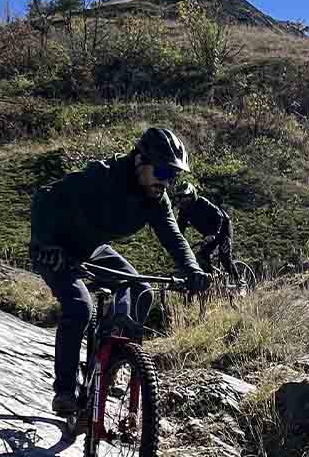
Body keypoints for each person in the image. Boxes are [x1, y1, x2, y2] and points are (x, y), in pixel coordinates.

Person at [29, 126, 210, 422]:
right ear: (140, 161)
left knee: (141, 291)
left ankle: (110, 359)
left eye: (173, 176)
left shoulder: (155, 199)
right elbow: (45, 198)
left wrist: (192, 269)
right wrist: (43, 243)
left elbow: (175, 238)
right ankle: (64, 390)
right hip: (56, 250)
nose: (168, 181)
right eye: (164, 172)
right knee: (79, 306)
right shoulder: (100, 177)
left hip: (92, 249)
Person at [175, 182, 240, 283]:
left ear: (192, 195)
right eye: (180, 197)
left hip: (223, 229)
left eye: (185, 196)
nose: (183, 199)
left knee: (225, 257)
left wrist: (214, 234)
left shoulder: (202, 202)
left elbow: (219, 216)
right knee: (202, 257)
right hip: (209, 234)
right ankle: (210, 282)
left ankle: (239, 283)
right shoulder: (183, 212)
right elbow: (179, 230)